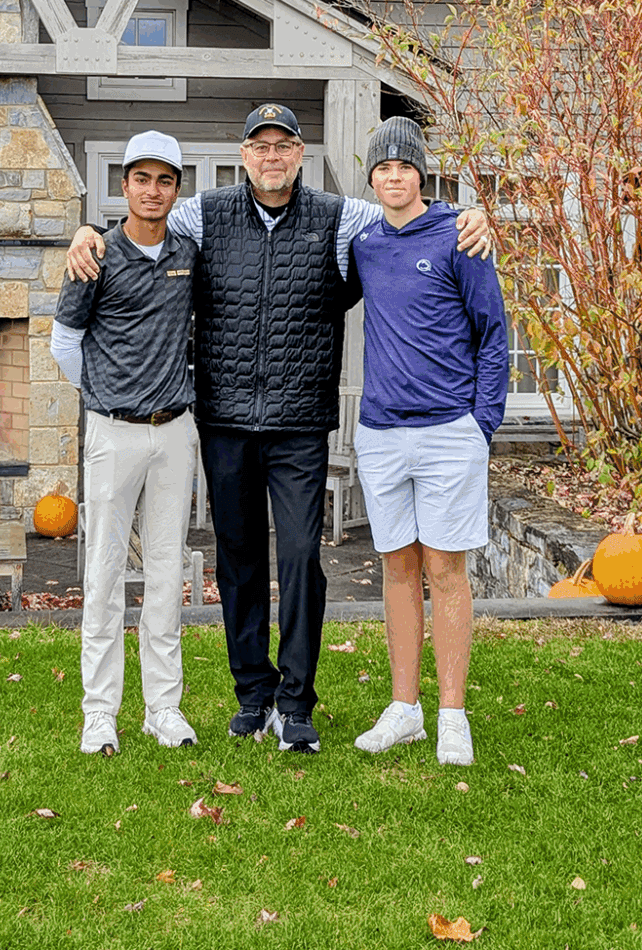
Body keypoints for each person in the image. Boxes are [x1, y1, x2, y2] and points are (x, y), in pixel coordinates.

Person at [66, 105, 495, 755]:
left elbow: (404, 212)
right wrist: (88, 231)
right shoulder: (204, 215)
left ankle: (295, 703)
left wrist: (470, 214)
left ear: (299, 154)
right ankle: (252, 696)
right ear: (244, 155)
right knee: (238, 563)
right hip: (226, 420)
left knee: (299, 560)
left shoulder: (339, 217)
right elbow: (142, 222)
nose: (272, 156)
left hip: (300, 422)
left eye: (284, 145)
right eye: (260, 145)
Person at [346, 119, 508, 766]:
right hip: (382, 431)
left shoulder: (459, 237)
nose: (394, 176)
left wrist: (481, 424)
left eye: (404, 166)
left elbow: (492, 332)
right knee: (398, 567)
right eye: (383, 167)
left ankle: (452, 715)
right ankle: (404, 709)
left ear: (421, 173)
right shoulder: (362, 242)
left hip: (449, 432)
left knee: (445, 568)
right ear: (372, 178)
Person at [52, 131, 201, 756]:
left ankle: (162, 708)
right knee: (106, 572)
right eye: (142, 178)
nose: (152, 190)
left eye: (164, 180)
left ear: (177, 189)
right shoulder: (96, 254)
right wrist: (103, 394)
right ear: (124, 185)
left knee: (166, 571)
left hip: (175, 432)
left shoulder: (190, 253)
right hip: (113, 431)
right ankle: (100, 712)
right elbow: (65, 342)